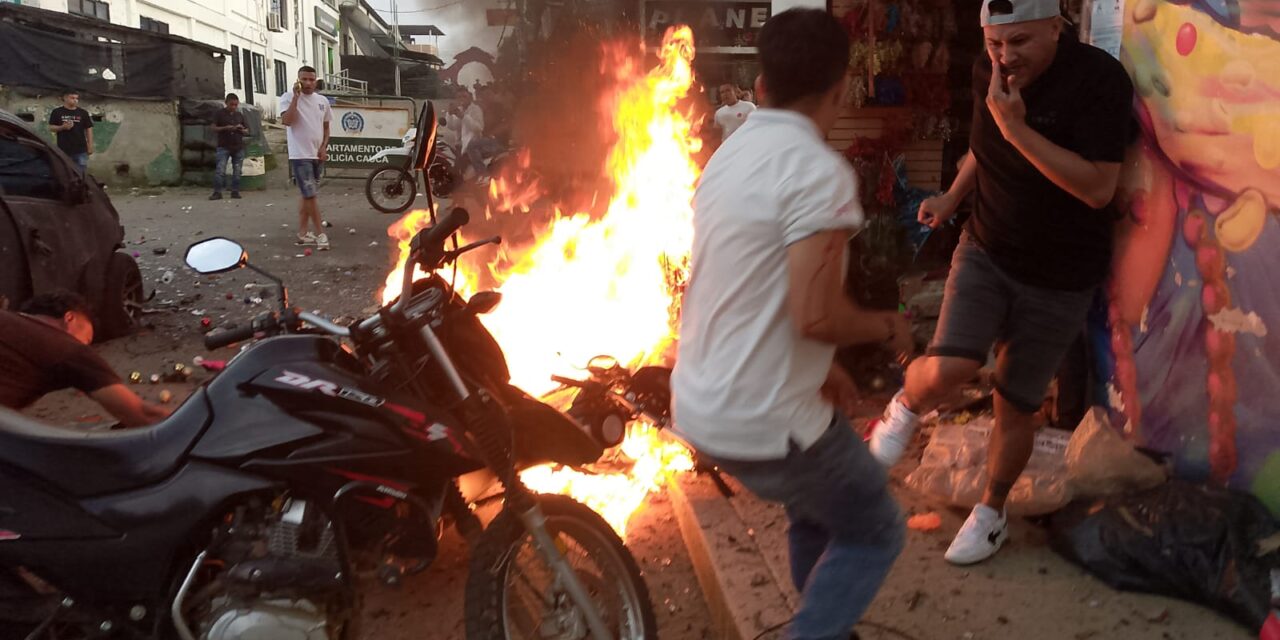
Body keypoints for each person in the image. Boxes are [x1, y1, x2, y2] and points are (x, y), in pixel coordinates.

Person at [672, 9, 914, 640]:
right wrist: (888, 328)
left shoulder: (730, 156)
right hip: (760, 422)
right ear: (841, 90)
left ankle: (825, 617)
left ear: (760, 88)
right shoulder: (818, 172)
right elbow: (816, 313)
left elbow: (752, 289)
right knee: (878, 529)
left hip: (698, 404)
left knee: (819, 506)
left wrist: (822, 369)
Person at [869, 0, 1134, 566]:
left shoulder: (1099, 81)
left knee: (1016, 402)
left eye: (1019, 43)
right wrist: (949, 197)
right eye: (994, 44)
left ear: (1055, 26)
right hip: (987, 248)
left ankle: (990, 513)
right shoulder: (988, 71)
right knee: (952, 364)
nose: (1005, 58)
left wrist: (1017, 131)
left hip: (1062, 275)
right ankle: (906, 403)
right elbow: (983, 145)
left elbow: (1097, 189)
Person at [0, 292, 170, 427]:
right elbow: (144, 416)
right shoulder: (67, 349)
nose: (87, 347)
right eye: (86, 340)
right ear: (69, 319)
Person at [279, 66, 331, 250]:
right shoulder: (287, 97)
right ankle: (320, 234)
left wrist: (324, 147)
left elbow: (326, 127)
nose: (308, 83)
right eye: (304, 79)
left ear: (316, 80)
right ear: (298, 80)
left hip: (317, 154)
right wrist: (296, 97)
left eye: (311, 79)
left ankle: (302, 233)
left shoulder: (322, 101)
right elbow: (287, 121)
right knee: (311, 195)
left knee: (306, 195)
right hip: (300, 155)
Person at [451, 86, 502, 184]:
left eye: (464, 96)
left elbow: (479, 128)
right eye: (459, 97)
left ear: (469, 97)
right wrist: (451, 114)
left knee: (471, 147)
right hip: (461, 143)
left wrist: (464, 117)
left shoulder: (476, 109)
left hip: (477, 142)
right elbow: (453, 126)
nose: (461, 99)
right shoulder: (460, 109)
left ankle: (483, 174)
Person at [210, 93, 249, 201]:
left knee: (237, 171)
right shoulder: (219, 114)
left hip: (238, 146)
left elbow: (247, 130)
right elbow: (213, 128)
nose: (233, 107)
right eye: (231, 104)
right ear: (226, 103)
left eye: (236, 105)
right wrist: (226, 128)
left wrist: (241, 129)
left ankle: (235, 191)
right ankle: (217, 192)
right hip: (223, 146)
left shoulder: (239, 115)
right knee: (220, 170)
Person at [48, 91, 93, 174]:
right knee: (65, 173)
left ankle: (80, 187)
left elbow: (89, 129)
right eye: (72, 98)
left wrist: (90, 145)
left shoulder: (83, 113)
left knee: (81, 173)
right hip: (63, 149)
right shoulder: (57, 112)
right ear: (65, 98)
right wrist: (62, 127)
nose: (75, 100)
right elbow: (51, 128)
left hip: (81, 149)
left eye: (77, 98)